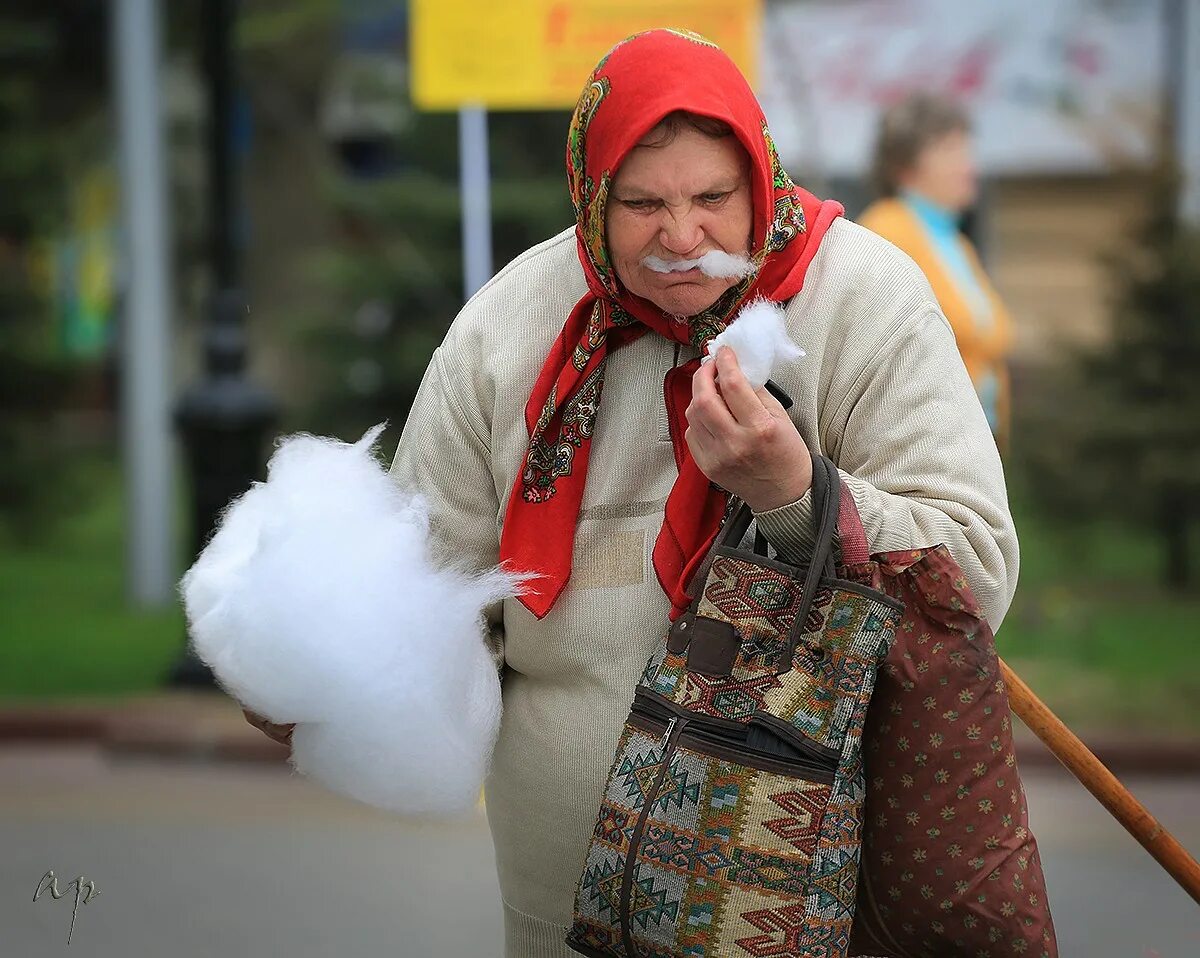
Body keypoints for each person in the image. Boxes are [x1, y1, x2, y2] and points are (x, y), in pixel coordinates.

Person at [248, 30, 1017, 956]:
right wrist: (337, 679)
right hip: (559, 904)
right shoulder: (510, 324)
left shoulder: (865, 300)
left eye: (713, 199)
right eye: (644, 203)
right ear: (590, 194)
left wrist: (795, 492)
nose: (683, 237)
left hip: (808, 904)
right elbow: (433, 590)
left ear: (760, 174)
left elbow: (974, 572)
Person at [858, 92, 1015, 453]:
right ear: (904, 166)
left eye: (967, 150)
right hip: (920, 444)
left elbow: (991, 335)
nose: (968, 166)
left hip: (971, 439)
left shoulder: (956, 242)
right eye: (951, 150)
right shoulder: (887, 229)